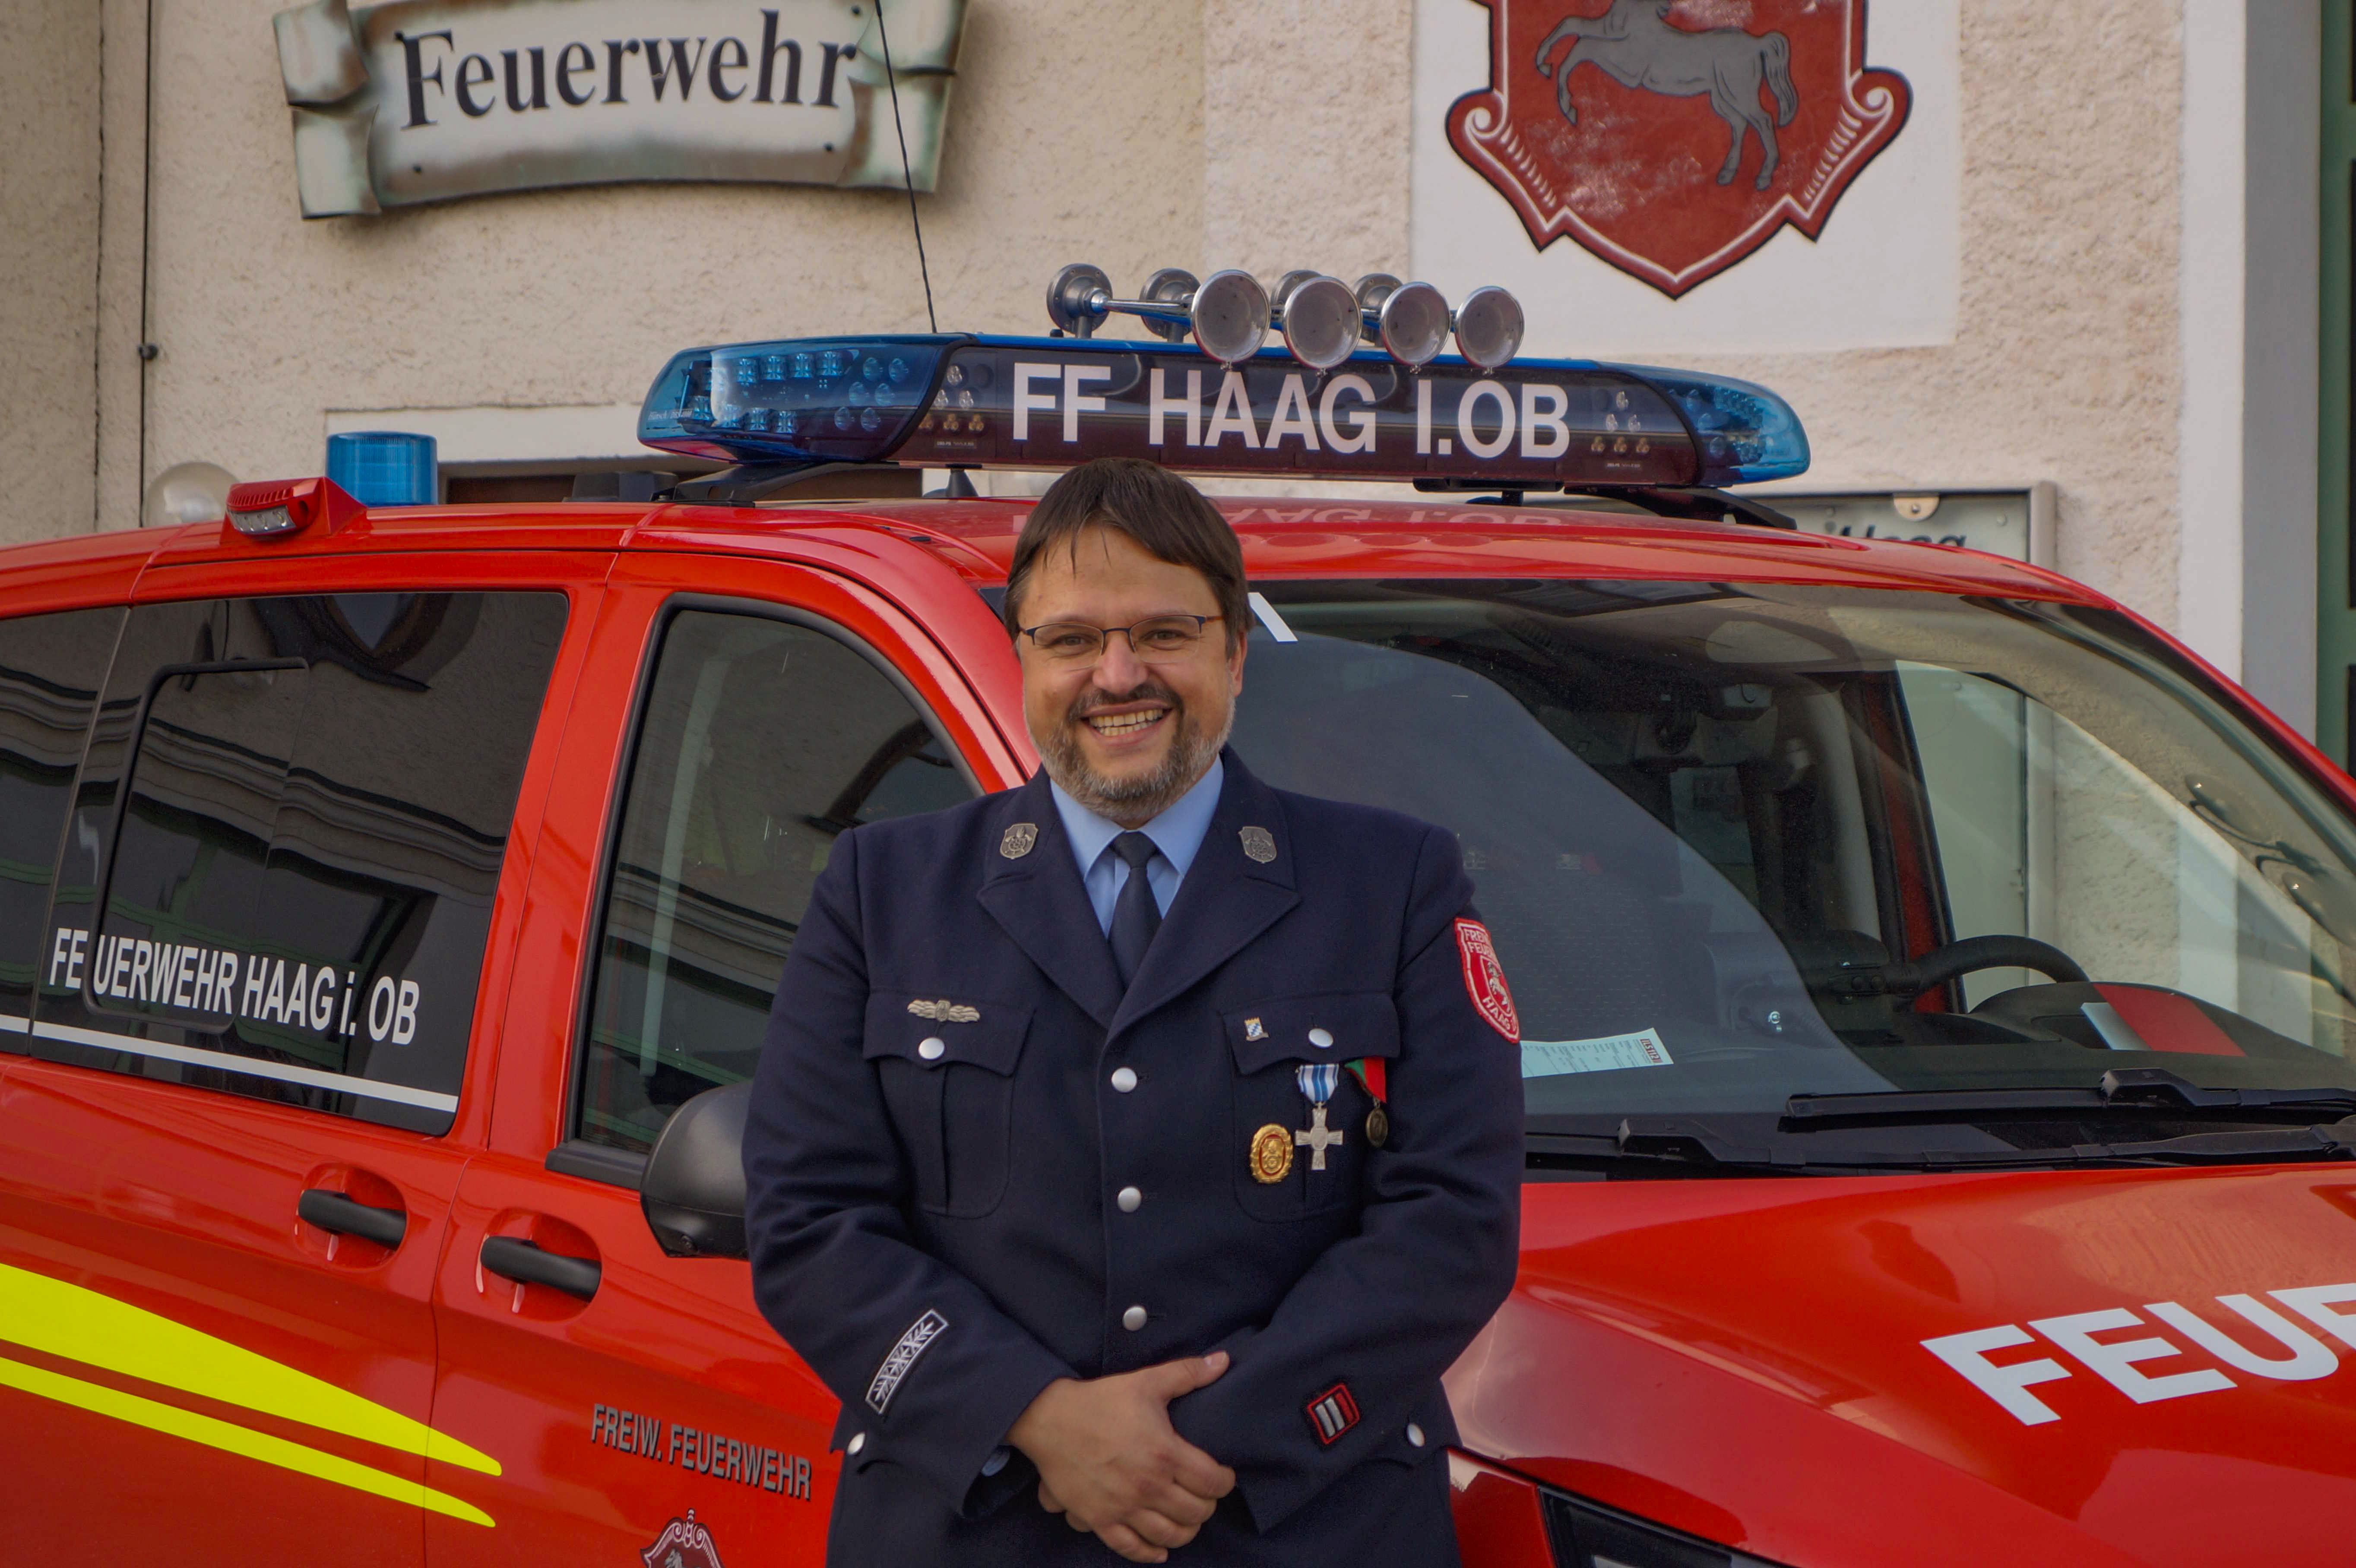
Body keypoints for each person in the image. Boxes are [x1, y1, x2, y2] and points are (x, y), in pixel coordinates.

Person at [742, 456, 1523, 1565]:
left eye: (1164, 632)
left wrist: (1193, 1448)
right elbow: (809, 1219)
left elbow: (1453, 1219)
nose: (1118, 675)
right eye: (1071, 639)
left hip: (1301, 1520)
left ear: (1234, 652)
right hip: (973, 1524)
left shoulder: (1392, 883)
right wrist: (1035, 1416)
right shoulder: (882, 890)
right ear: (1023, 658)